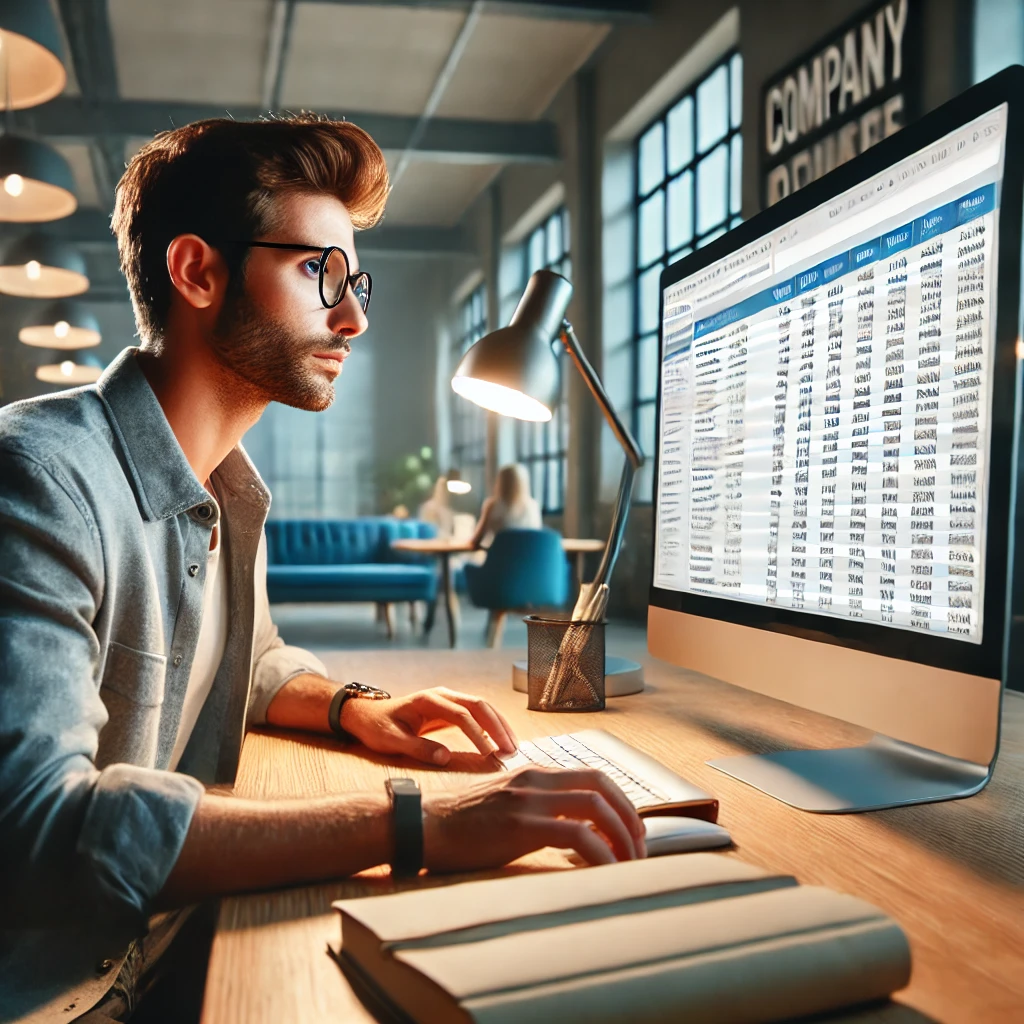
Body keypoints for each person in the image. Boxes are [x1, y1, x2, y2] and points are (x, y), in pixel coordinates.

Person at [0, 115, 644, 1023]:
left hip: (167, 935)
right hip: (66, 993)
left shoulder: (225, 488)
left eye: (356, 280)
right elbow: (33, 824)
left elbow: (247, 660)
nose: (354, 316)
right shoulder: (39, 478)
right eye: (319, 272)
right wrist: (419, 821)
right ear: (196, 271)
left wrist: (354, 704)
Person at [469, 462, 543, 549]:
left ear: (500, 482)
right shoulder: (534, 506)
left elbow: (476, 540)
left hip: (501, 560)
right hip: (530, 561)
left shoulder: (492, 506)